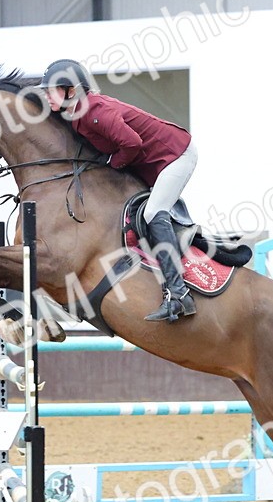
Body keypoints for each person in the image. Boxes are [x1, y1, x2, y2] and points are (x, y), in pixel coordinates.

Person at [39, 59, 198, 323]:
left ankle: (179, 295)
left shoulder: (93, 111)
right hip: (160, 158)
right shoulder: (80, 113)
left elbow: (132, 144)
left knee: (153, 213)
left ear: (71, 91)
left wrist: (113, 163)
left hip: (177, 154)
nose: (46, 95)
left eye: (52, 90)